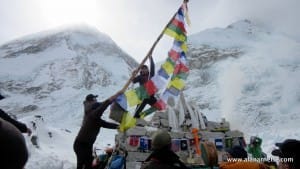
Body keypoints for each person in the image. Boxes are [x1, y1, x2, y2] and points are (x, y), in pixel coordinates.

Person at [73, 91, 122, 169]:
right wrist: (111, 99)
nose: (96, 100)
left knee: (88, 164)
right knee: (83, 165)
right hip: (81, 145)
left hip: (86, 145)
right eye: (95, 99)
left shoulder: (95, 119)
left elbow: (106, 124)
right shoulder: (93, 115)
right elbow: (102, 107)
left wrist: (119, 126)